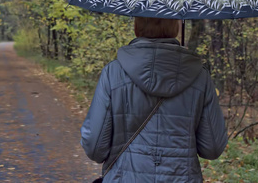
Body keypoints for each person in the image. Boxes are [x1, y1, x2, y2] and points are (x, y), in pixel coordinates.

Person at [80, 17, 228, 182]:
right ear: (176, 27)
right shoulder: (200, 77)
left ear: (137, 26)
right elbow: (213, 148)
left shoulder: (113, 73)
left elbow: (95, 147)